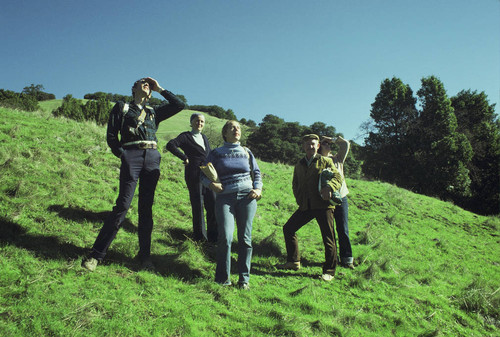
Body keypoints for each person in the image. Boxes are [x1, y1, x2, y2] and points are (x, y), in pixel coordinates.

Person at [82, 77, 185, 271]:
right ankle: (96, 255)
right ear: (134, 88)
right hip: (132, 156)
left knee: (146, 209)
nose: (146, 84)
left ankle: (145, 257)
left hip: (153, 157)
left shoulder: (154, 112)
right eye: (142, 82)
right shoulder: (122, 107)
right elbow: (112, 136)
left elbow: (179, 105)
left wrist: (160, 88)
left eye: (149, 84)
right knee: (122, 205)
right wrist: (123, 155)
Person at [201, 120, 262, 289]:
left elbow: (256, 173)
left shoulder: (247, 151)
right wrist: (211, 184)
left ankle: (244, 280)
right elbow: (202, 174)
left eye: (238, 128)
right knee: (225, 238)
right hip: (224, 199)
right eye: (232, 128)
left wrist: (258, 189)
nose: (236, 130)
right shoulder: (216, 153)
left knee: (245, 239)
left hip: (247, 197)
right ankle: (222, 279)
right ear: (225, 133)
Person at [276, 134, 342, 282]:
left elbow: (338, 177)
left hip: (324, 206)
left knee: (328, 238)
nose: (310, 146)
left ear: (318, 146)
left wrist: (330, 187)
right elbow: (295, 184)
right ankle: (293, 261)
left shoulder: (325, 161)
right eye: (307, 144)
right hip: (306, 205)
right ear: (303, 147)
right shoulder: (299, 165)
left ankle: (329, 271)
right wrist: (299, 198)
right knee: (288, 228)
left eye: (313, 144)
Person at [166, 113, 217, 242]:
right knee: (198, 204)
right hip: (193, 173)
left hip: (208, 173)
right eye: (197, 121)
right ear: (191, 122)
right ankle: (200, 238)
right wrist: (184, 157)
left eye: (202, 122)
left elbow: (209, 154)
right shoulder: (186, 136)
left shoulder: (204, 137)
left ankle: (213, 237)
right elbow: (170, 145)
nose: (199, 123)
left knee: (212, 202)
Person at [319, 135, 354, 269]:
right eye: (324, 143)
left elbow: (345, 144)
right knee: (330, 230)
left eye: (329, 144)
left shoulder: (337, 159)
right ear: (319, 147)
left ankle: (347, 259)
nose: (328, 145)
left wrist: (333, 139)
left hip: (341, 197)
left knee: (343, 228)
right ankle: (333, 259)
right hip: (326, 199)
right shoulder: (319, 161)